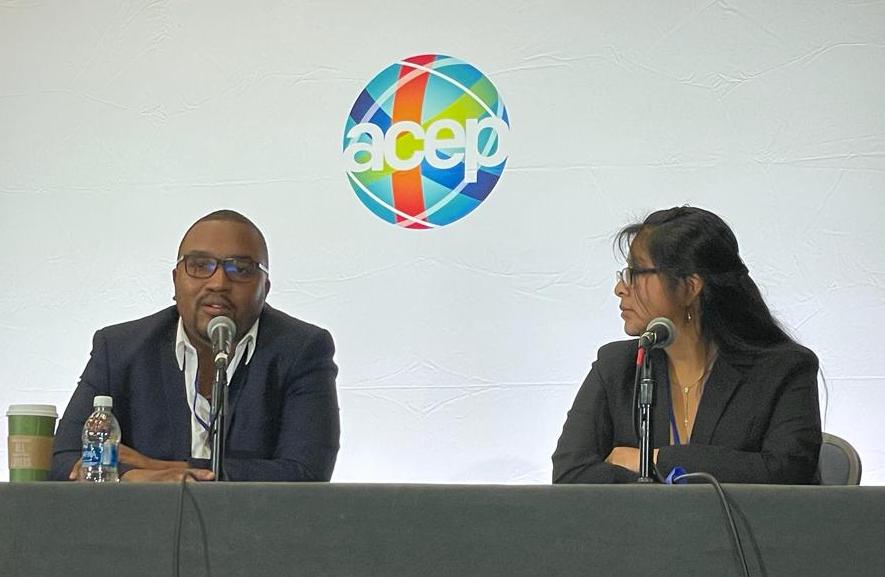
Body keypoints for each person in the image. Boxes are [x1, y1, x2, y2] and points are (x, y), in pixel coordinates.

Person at [51, 210, 340, 482]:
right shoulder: (120, 348)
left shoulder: (302, 349)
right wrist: (130, 477)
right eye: (200, 266)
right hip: (142, 518)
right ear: (176, 280)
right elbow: (64, 458)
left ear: (265, 287)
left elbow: (306, 473)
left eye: (240, 269)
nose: (219, 283)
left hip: (256, 519)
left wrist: (158, 466)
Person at [553, 206, 821, 484]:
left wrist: (653, 460)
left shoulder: (783, 368)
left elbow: (787, 473)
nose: (620, 288)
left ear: (690, 287)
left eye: (635, 273)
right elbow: (570, 474)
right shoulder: (616, 367)